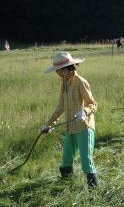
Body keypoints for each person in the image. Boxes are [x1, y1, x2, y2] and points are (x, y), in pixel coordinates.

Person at [43, 52, 99, 189]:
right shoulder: (64, 83)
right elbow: (61, 107)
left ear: (66, 69)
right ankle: (68, 187)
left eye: (58, 70)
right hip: (70, 127)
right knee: (66, 160)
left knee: (86, 160)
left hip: (84, 126)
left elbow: (93, 104)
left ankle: (94, 193)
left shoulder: (81, 82)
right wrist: (48, 124)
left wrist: (84, 111)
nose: (56, 73)